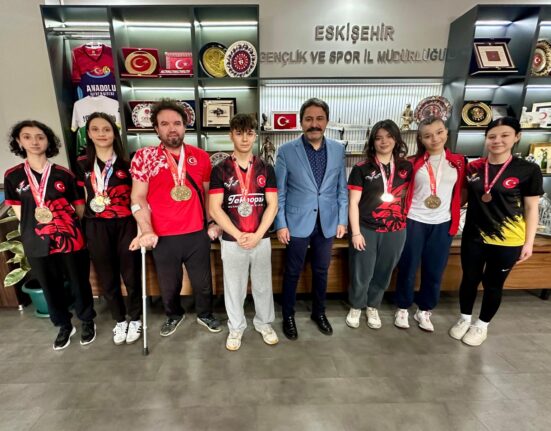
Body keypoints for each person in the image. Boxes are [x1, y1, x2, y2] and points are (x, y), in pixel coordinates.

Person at [130, 99, 221, 337]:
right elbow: (138, 197)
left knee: (203, 283)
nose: (172, 128)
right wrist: (146, 229)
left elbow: (207, 195)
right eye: (165, 124)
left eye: (177, 123)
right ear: (156, 128)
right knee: (169, 285)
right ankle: (173, 315)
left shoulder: (201, 157)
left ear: (185, 126)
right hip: (162, 235)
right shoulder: (144, 157)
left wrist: (212, 223)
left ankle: (205, 314)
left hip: (196, 232)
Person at [449, 117, 542, 346]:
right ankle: (464, 318)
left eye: (504, 135)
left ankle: (482, 325)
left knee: (493, 284)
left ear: (517, 137)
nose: (497, 140)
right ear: (486, 138)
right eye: (492, 136)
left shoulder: (528, 170)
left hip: (508, 240)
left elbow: (531, 208)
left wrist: (528, 242)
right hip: (474, 236)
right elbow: (462, 198)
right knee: (469, 279)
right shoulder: (474, 167)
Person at [4, 120, 96, 350]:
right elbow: (19, 212)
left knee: (79, 282)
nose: (34, 142)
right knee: (49, 285)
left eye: (40, 137)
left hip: (70, 239)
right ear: (19, 142)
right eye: (27, 137)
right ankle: (64, 325)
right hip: (37, 240)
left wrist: (66, 225)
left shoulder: (64, 174)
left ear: (48, 141)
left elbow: (79, 208)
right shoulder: (13, 176)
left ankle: (87, 320)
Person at [275, 98, 348, 340]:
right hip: (296, 222)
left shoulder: (338, 150)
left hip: (327, 222)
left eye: (319, 119)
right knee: (292, 271)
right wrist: (281, 224)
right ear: (301, 122)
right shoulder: (286, 151)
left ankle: (319, 312)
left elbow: (341, 189)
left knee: (321, 270)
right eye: (308, 119)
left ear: (327, 121)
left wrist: (342, 220)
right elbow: (280, 192)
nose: (314, 124)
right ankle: (288, 315)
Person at [209, 113, 279, 351]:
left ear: (255, 135)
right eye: (239, 133)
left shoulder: (266, 168)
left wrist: (258, 235)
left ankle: (264, 323)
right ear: (231, 135)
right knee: (234, 287)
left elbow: (272, 205)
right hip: (232, 240)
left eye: (249, 133)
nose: (245, 138)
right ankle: (236, 327)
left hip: (261, 238)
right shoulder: (220, 169)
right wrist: (238, 235)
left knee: (263, 286)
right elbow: (214, 208)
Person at [394, 116, 466, 332]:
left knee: (435, 269)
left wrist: (454, 209)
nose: (434, 138)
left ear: (446, 133)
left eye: (439, 132)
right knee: (408, 266)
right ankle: (403, 307)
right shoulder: (412, 162)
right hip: (414, 220)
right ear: (421, 139)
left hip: (443, 222)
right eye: (427, 135)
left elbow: (462, 190)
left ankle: (424, 309)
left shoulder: (458, 162)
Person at [76, 112, 142, 345]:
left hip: (126, 224)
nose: (102, 134)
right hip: (96, 225)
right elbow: (81, 200)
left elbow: (138, 197)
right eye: (95, 129)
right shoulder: (82, 164)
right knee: (107, 276)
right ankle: (119, 319)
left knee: (131, 274)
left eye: (106, 129)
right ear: (89, 134)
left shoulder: (128, 163)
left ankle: (135, 318)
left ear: (115, 133)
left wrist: (141, 228)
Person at [346, 120, 412, 329]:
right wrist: (356, 233)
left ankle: (372, 306)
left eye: (389, 136)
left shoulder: (406, 167)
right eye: (378, 138)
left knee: (384, 271)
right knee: (362, 271)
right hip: (367, 228)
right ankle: (356, 305)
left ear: (396, 139)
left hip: (396, 229)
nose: (384, 141)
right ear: (372, 142)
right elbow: (353, 202)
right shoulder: (361, 168)